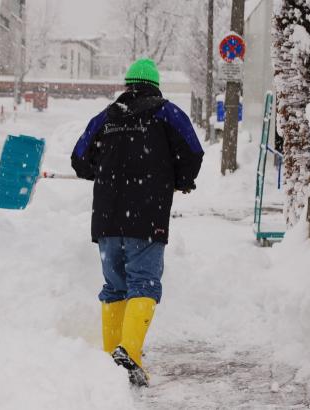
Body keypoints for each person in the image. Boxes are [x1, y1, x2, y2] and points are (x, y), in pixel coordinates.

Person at [71, 58, 203, 386]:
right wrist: (182, 178)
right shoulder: (166, 113)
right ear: (154, 85)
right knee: (144, 282)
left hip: (106, 217)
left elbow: (79, 159)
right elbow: (193, 152)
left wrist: (100, 170)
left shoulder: (106, 117)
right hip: (147, 214)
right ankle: (128, 352)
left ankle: (109, 363)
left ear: (127, 84)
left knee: (114, 286)